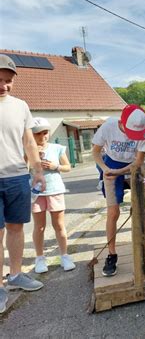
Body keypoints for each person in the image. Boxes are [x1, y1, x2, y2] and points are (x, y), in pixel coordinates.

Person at [92, 104, 145, 277]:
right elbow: (95, 152)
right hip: (111, 163)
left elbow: (139, 162)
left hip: (134, 167)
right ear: (122, 121)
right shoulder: (108, 126)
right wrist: (105, 169)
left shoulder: (144, 131)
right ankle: (112, 254)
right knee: (113, 211)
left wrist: (119, 172)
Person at [0, 54, 45, 314]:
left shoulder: (20, 106)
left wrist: (37, 170)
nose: (3, 85)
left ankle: (16, 275)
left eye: (8, 81)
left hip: (17, 176)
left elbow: (29, 141)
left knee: (16, 228)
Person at [29, 117, 75, 273]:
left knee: (59, 225)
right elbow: (22, 167)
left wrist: (56, 166)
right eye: (38, 134)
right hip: (36, 191)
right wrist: (34, 159)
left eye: (45, 133)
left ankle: (64, 255)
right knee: (39, 226)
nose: (42, 137)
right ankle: (40, 258)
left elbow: (68, 167)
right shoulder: (28, 149)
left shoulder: (57, 148)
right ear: (32, 135)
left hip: (55, 189)